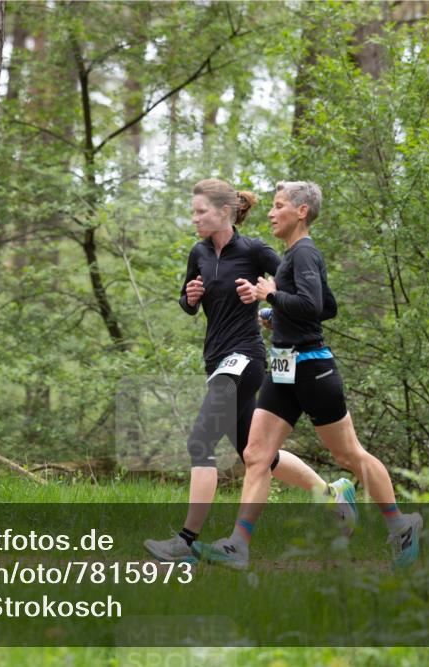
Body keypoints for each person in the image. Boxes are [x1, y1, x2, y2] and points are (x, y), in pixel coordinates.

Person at [190, 180, 422, 571]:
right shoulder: (293, 256)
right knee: (256, 454)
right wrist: (276, 315)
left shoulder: (305, 253)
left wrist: (270, 297)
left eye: (278, 205)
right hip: (284, 367)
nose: (270, 212)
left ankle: (401, 525)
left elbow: (313, 306)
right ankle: (238, 545)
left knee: (349, 454)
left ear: (300, 211)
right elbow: (326, 306)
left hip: (313, 368)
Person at [144, 179, 357, 564]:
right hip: (216, 359)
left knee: (200, 443)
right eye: (193, 212)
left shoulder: (256, 250)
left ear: (224, 212)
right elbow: (188, 302)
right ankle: (332, 495)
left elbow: (297, 292)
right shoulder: (199, 253)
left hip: (246, 356)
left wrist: (268, 304)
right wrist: (189, 299)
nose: (194, 218)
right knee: (254, 453)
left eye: (200, 211)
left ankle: (187, 542)